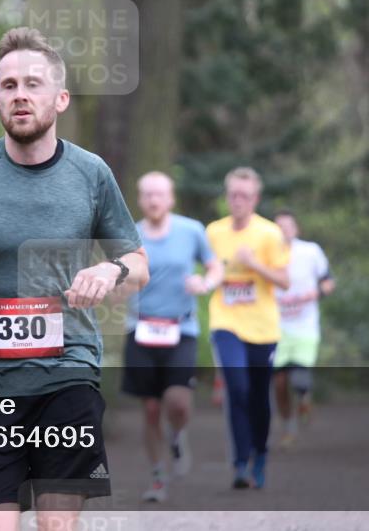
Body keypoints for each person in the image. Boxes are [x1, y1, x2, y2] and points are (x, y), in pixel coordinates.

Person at [0, 27, 149, 531]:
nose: (20, 94)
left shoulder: (91, 174)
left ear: (59, 98)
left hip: (69, 374)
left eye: (32, 84)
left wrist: (109, 269)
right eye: (9, 85)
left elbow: (139, 264)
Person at [121, 171, 223, 502]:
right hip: (141, 328)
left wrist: (204, 283)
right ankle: (157, 477)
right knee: (150, 410)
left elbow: (215, 266)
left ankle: (178, 435)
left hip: (181, 329)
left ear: (171, 198)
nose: (153, 200)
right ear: (139, 199)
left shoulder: (191, 230)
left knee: (177, 403)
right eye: (147, 194)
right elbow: (118, 280)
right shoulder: (129, 235)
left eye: (159, 194)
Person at [205, 167, 290, 489]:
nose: (238, 201)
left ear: (256, 198)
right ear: (227, 197)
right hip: (225, 322)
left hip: (263, 327)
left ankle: (260, 452)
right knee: (236, 389)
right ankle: (240, 463)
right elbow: (208, 269)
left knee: (258, 396)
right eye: (233, 195)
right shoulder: (214, 232)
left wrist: (254, 264)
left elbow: (284, 281)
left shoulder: (269, 234)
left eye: (245, 196)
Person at [272, 209, 335, 447]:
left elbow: (329, 282)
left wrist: (315, 293)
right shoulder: (267, 253)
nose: (283, 231)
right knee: (278, 383)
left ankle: (305, 399)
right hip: (275, 327)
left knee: (299, 379)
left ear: (296, 229)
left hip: (304, 327)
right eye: (278, 227)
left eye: (288, 226)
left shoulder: (310, 252)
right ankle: (288, 427)